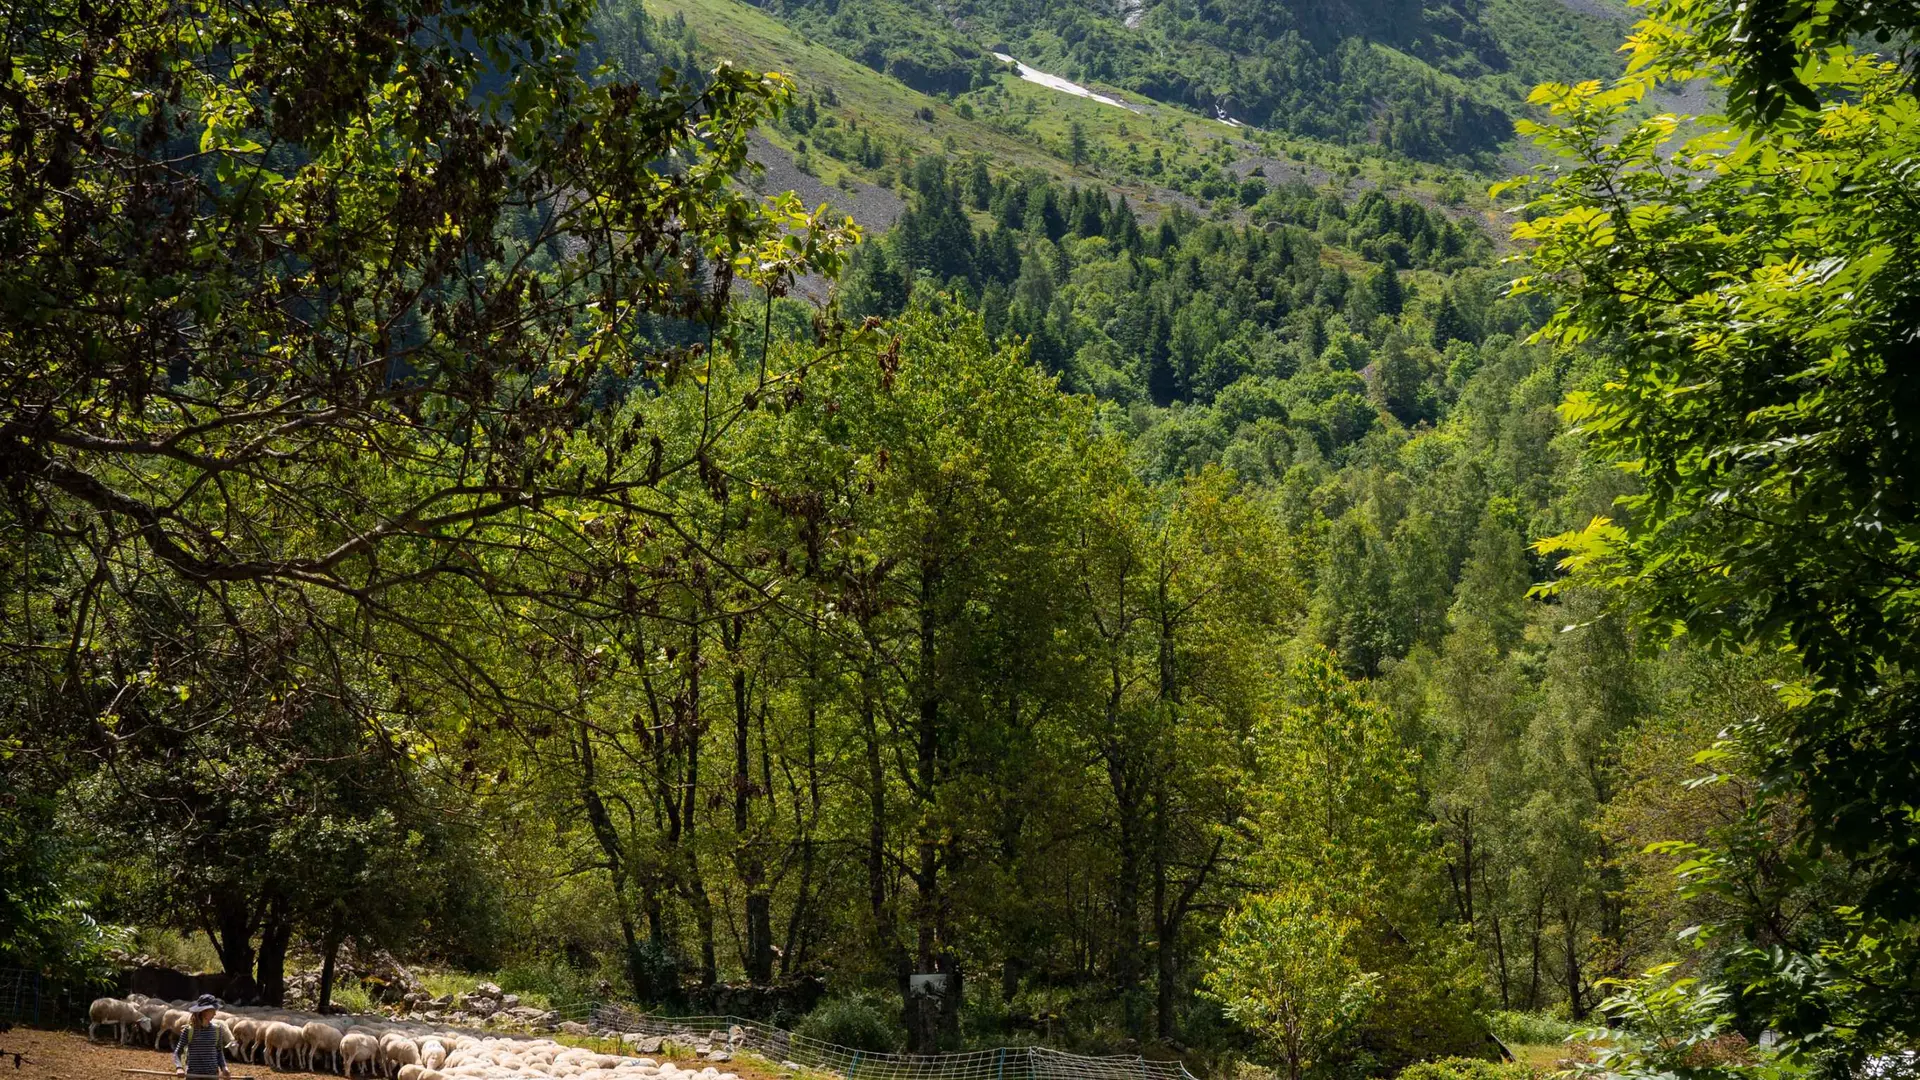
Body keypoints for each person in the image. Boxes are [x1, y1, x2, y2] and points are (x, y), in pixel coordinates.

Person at [171, 995, 232, 1079]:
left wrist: (224, 1068)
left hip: (212, 1075)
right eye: (212, 1010)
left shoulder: (217, 1030)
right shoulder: (189, 1030)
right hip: (193, 1075)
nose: (215, 1013)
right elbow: (177, 1052)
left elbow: (219, 1051)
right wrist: (179, 1068)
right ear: (204, 1011)